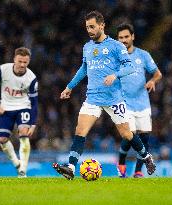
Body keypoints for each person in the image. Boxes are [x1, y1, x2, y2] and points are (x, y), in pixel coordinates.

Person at [52, 10, 156, 180]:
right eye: (87, 27)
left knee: (127, 134)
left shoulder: (116, 46)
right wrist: (69, 86)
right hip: (92, 98)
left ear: (102, 25)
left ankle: (146, 157)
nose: (89, 30)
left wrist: (115, 75)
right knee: (80, 131)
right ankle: (70, 168)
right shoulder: (87, 47)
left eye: (92, 27)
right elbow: (84, 68)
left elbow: (130, 66)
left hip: (114, 99)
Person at [116, 23, 162, 178]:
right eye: (120, 37)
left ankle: (137, 171)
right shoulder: (115, 58)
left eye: (126, 37)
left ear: (132, 36)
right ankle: (121, 161)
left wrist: (153, 81)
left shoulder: (143, 55)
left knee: (144, 138)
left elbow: (157, 73)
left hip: (142, 103)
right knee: (130, 134)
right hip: (124, 104)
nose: (123, 40)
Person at [0, 47, 38, 178]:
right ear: (14, 60)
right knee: (2, 139)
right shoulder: (3, 69)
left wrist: (33, 124)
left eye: (25, 62)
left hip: (23, 107)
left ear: (28, 62)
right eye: (20, 61)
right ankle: (17, 164)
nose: (22, 65)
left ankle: (23, 171)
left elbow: (34, 102)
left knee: (23, 133)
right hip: (6, 108)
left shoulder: (31, 78)